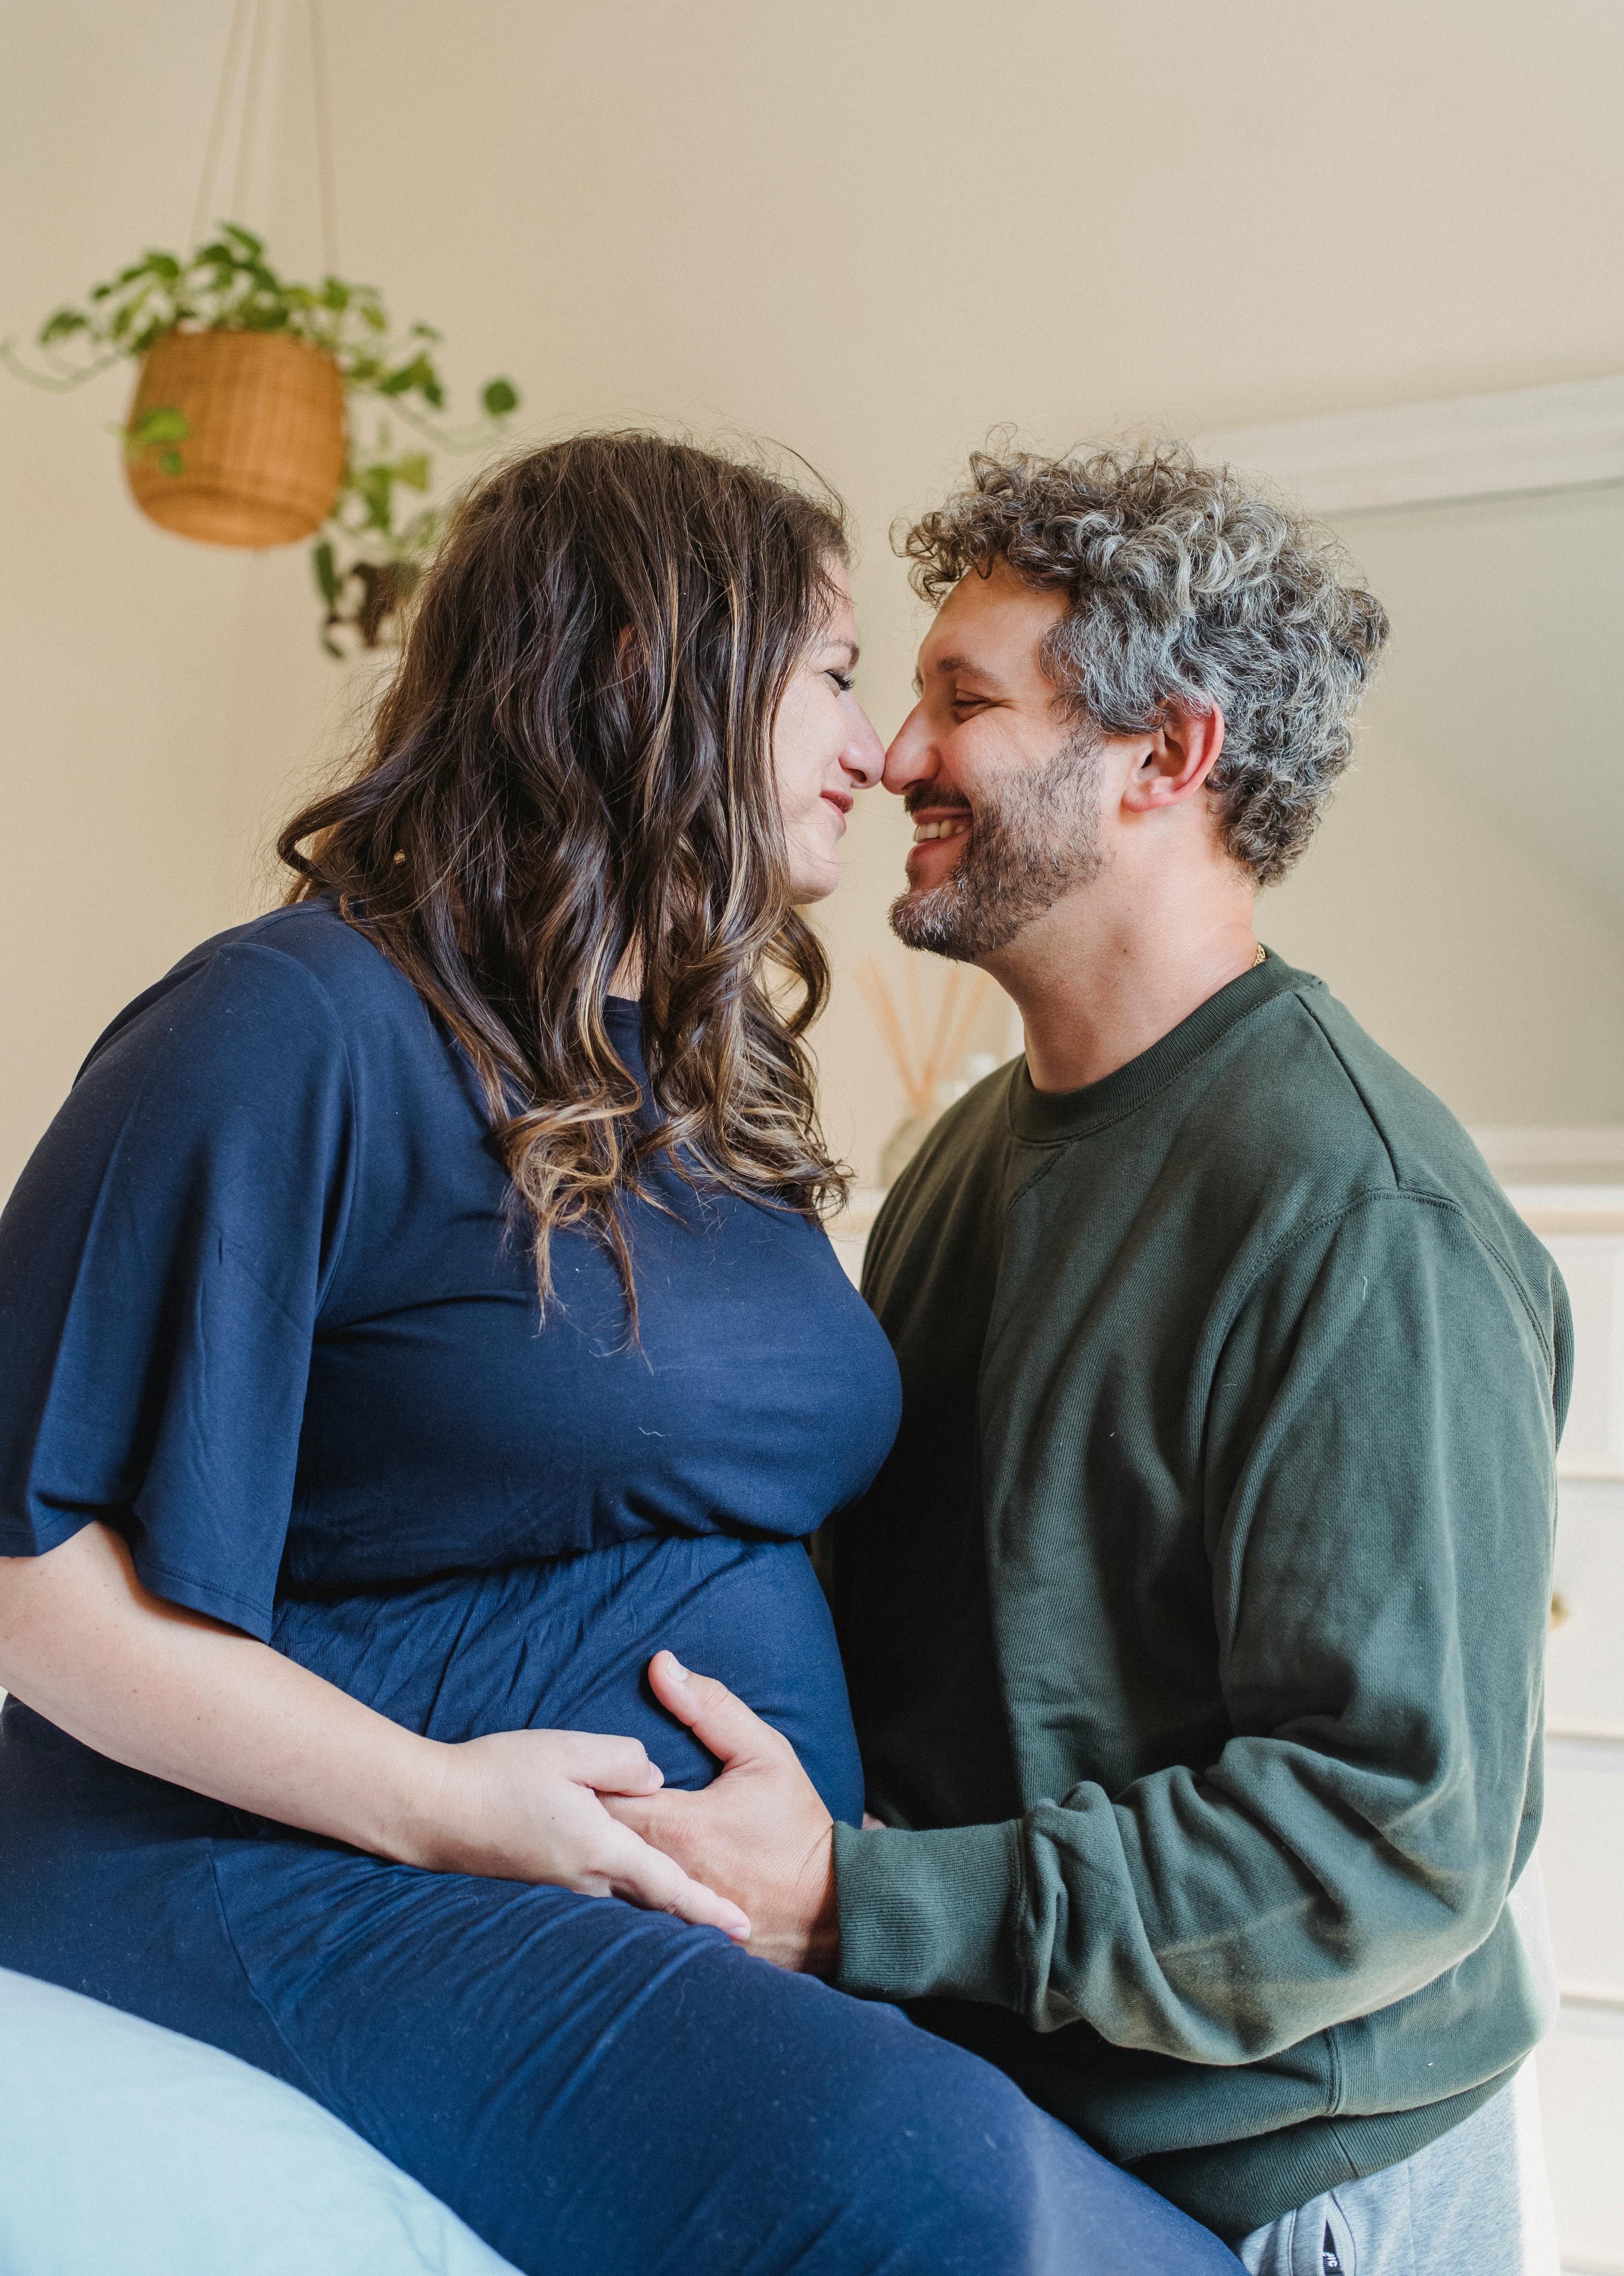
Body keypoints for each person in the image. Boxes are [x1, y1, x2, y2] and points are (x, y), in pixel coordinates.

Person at [0, 435, 1242, 2276]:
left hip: (659, 1881)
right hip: (270, 1858)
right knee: (920, 2187)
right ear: (652, 674)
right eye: (833, 674)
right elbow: (29, 1576)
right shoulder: (291, 1023)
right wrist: (440, 1809)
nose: (877, 749)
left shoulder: (686, 1079)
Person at [607, 445, 1568, 2276]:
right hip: (1015, 2145)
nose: (895, 754)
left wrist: (861, 1900)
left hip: (1295, 2193)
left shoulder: (1359, 1218)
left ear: (1167, 757)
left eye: (966, 700)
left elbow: (1386, 1841)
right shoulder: (964, 1162)